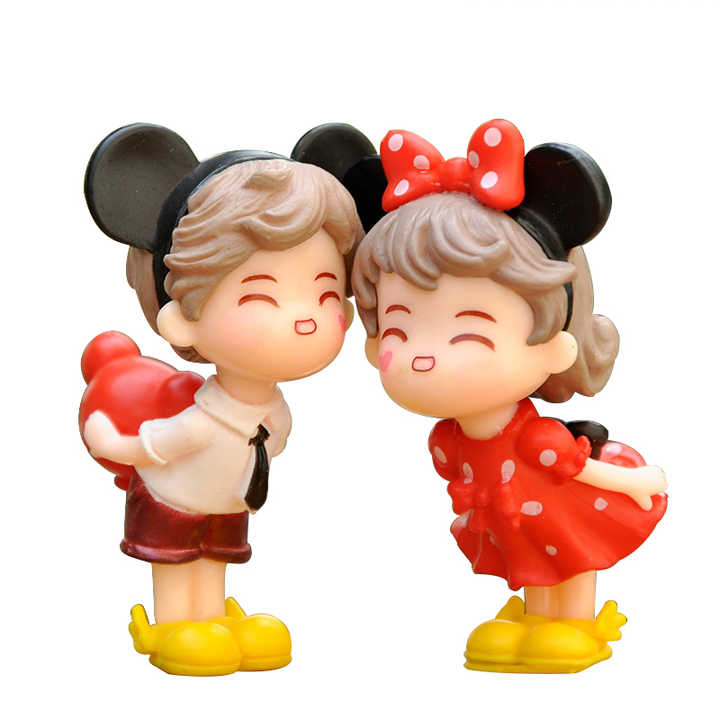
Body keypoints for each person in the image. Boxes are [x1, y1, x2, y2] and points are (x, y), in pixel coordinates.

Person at [348, 119, 667, 673]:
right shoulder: (448, 438)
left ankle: (576, 621)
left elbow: (585, 474)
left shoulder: (538, 437)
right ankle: (536, 617)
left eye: (469, 332)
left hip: (564, 513)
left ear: (553, 343)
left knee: (570, 558)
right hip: (512, 521)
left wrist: (639, 483)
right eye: (399, 328)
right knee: (535, 563)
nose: (425, 357)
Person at [81, 123, 362, 675]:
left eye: (325, 292)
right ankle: (171, 625)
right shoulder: (203, 420)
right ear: (182, 317)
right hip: (172, 500)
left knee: (212, 561)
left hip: (226, 504)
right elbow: (158, 445)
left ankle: (211, 616)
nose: (305, 318)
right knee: (178, 564)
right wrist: (111, 440)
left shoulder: (274, 413)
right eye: (261, 296)